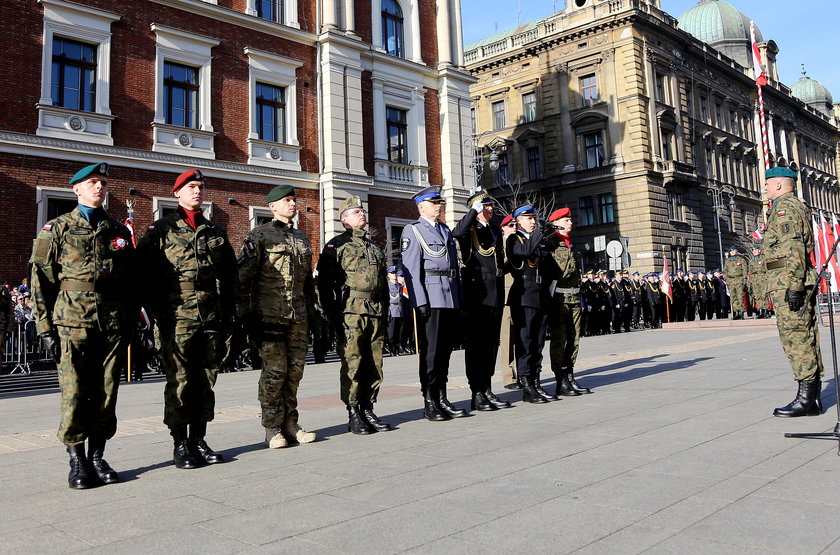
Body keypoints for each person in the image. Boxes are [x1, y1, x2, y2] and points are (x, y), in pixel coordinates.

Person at [29, 162, 136, 489]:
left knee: (106, 391)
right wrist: (45, 328)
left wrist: (130, 324)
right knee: (74, 391)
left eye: (103, 182)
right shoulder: (57, 229)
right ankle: (76, 460)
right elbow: (40, 281)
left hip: (111, 324)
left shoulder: (117, 231)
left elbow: (130, 282)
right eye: (93, 182)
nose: (100, 187)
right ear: (76, 189)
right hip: (71, 322)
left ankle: (97, 456)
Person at [138, 169, 236, 469]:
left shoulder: (215, 232)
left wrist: (230, 316)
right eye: (191, 187)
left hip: (210, 316)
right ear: (176, 192)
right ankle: (180, 443)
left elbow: (231, 277)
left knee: (205, 380)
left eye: (200, 187)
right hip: (176, 318)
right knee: (180, 381)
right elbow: (143, 277)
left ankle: (199, 439)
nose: (197, 191)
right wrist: (159, 315)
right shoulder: (161, 230)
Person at [237, 184, 318, 446]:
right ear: (272, 206)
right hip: (270, 318)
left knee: (295, 372)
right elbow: (243, 278)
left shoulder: (301, 238)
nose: (292, 204)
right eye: (287, 200)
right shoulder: (259, 235)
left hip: (298, 317)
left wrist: (312, 312)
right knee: (275, 372)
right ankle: (272, 428)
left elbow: (307, 282)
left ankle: (291, 423)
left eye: (294, 200)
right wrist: (246, 316)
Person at [317, 196, 392, 435]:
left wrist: (386, 310)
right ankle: (353, 411)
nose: (362, 214)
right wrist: (333, 316)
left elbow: (383, 285)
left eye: (362, 210)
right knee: (353, 363)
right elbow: (324, 285)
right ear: (344, 219)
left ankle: (368, 407)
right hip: (351, 312)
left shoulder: (373, 247)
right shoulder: (335, 245)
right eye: (356, 211)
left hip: (376, 310)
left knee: (374, 362)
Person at [399, 186, 467, 421]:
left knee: (445, 351)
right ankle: (429, 400)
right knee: (431, 352)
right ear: (421, 207)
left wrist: (458, 299)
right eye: (433, 203)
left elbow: (453, 269)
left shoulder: (445, 230)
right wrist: (419, 301)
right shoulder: (413, 231)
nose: (439, 206)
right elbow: (411, 269)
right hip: (430, 297)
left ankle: (442, 396)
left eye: (439, 202)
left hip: (448, 297)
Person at [763, 166, 823, 417]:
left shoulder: (785, 208)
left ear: (777, 185)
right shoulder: (794, 206)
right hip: (789, 279)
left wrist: (795, 286)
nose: (764, 188)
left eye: (767, 184)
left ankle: (805, 400)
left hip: (788, 280)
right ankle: (812, 398)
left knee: (796, 338)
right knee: (804, 336)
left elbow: (794, 248)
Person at [451, 192, 510, 411]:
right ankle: (476, 391)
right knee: (476, 345)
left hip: (495, 292)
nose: (491, 209)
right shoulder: (470, 229)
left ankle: (486, 388)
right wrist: (473, 211)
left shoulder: (494, 230)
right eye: (486, 205)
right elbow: (457, 232)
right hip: (477, 293)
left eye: (491, 205)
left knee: (491, 344)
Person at [506, 204, 553, 403]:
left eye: (534, 218)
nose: (533, 221)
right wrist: (539, 234)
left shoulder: (538, 239)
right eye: (529, 218)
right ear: (518, 220)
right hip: (524, 295)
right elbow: (524, 253)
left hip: (541, 294)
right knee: (525, 342)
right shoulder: (513, 239)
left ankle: (536, 381)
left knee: (538, 341)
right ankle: (526, 386)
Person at [543, 207, 591, 396]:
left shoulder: (572, 244)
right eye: (567, 220)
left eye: (570, 219)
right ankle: (560, 380)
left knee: (574, 339)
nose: (571, 222)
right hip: (559, 299)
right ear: (557, 222)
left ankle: (570, 375)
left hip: (574, 298)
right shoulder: (551, 243)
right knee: (560, 340)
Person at [496, 214, 519, 389]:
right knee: (507, 338)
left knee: (521, 338)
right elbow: (499, 266)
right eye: (510, 225)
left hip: (522, 295)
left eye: (515, 224)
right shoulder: (500, 244)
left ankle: (524, 374)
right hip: (506, 297)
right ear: (503, 228)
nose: (514, 227)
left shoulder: (520, 242)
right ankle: (509, 376)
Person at [723, 246, 748, 319]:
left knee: (740, 296)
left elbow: (744, 271)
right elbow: (725, 271)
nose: (732, 252)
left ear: (736, 251)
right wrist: (727, 280)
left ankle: (741, 312)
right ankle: (736, 312)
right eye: (731, 251)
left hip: (739, 279)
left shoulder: (741, 260)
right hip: (731, 281)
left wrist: (744, 280)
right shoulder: (727, 261)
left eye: (733, 251)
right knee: (733, 297)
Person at [750, 244, 770, 318]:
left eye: (756, 250)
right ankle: (761, 311)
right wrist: (752, 280)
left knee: (764, 295)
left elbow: (767, 269)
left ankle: (766, 311)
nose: (754, 252)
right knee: (757, 296)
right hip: (755, 280)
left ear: (759, 250)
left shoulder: (764, 258)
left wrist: (767, 278)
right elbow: (751, 271)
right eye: (753, 250)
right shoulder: (752, 261)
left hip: (763, 279)